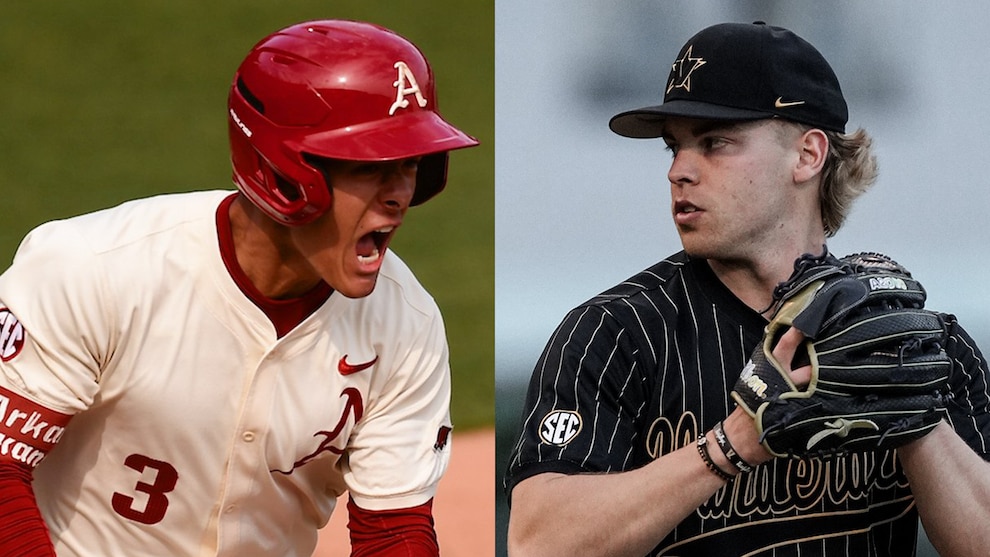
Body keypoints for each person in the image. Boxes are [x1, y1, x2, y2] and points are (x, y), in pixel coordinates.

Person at [504, 21, 990, 557]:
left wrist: (916, 416)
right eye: (674, 147)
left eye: (715, 143)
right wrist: (732, 444)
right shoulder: (617, 333)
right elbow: (538, 542)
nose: (680, 171)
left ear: (807, 155)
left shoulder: (915, 341)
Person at [0, 19, 478, 557]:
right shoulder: (92, 268)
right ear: (281, 170)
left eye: (410, 164)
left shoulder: (407, 324)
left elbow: (396, 533)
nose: (399, 196)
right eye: (371, 167)